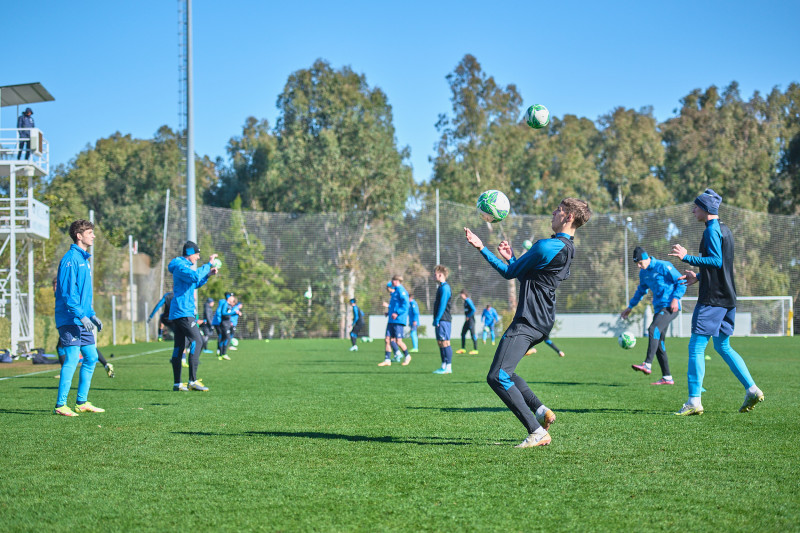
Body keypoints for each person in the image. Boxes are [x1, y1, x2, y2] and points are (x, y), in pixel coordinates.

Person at [465, 198, 592, 448]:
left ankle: (537, 431)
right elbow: (528, 275)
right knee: (507, 372)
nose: (553, 212)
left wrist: (481, 247)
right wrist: (513, 258)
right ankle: (540, 410)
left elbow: (510, 274)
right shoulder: (568, 249)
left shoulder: (546, 245)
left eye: (558, 210)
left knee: (497, 376)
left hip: (527, 320)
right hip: (542, 321)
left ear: (568, 218)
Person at [669, 189, 764, 415]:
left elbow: (715, 260)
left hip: (712, 300)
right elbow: (722, 268)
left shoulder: (711, 231)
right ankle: (752, 389)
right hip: (727, 297)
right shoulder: (724, 230)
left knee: (696, 347)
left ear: (705, 209)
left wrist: (687, 257)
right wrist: (698, 276)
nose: (693, 210)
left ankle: (694, 401)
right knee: (722, 345)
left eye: (696, 207)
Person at [53, 220, 105, 416]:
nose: (93, 236)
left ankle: (81, 402)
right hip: (70, 319)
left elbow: (83, 295)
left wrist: (91, 314)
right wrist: (82, 316)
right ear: (79, 236)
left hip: (83, 318)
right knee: (73, 358)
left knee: (91, 357)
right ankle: (60, 405)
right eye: (90, 232)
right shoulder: (70, 259)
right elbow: (67, 294)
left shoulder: (84, 260)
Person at [621, 246, 686, 385]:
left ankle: (647, 364)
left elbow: (681, 281)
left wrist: (676, 298)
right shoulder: (643, 273)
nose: (639, 266)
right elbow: (640, 291)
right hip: (659, 308)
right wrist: (630, 307)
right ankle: (667, 377)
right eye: (637, 264)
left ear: (646, 258)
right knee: (659, 343)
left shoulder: (664, 266)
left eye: (640, 263)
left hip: (670, 307)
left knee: (652, 330)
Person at [168, 241, 218, 391]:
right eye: (197, 254)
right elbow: (195, 277)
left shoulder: (183, 267)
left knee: (179, 346)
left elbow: (194, 283)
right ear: (190, 253)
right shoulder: (180, 266)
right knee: (198, 340)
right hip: (184, 312)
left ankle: (177, 383)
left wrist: (208, 275)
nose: (197, 257)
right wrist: (208, 264)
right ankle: (192, 381)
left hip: (181, 312)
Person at [378, 275, 411, 367]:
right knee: (387, 339)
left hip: (398, 320)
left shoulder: (402, 291)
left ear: (397, 281)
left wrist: (397, 313)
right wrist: (388, 313)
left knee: (398, 341)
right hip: (391, 320)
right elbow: (394, 306)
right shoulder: (395, 292)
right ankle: (387, 360)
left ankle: (407, 356)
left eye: (393, 280)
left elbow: (406, 305)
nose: (392, 282)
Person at [431, 265, 453, 374]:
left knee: (445, 342)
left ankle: (448, 367)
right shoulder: (440, 287)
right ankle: (443, 365)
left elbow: (443, 305)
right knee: (440, 342)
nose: (434, 276)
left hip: (444, 319)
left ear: (440, 275)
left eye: (435, 274)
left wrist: (438, 318)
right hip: (440, 319)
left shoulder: (445, 288)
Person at [456, 290, 479, 355]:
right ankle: (463, 349)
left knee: (472, 334)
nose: (460, 296)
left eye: (461, 294)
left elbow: (473, 309)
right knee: (463, 333)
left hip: (471, 321)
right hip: (467, 321)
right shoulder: (465, 302)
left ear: (464, 294)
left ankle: (475, 350)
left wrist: (468, 316)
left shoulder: (468, 301)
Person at [214, 292, 236, 360]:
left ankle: (221, 353)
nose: (233, 298)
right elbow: (222, 313)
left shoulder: (229, 305)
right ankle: (222, 353)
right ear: (228, 297)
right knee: (225, 338)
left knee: (224, 338)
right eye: (231, 296)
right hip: (223, 324)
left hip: (226, 323)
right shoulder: (224, 303)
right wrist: (234, 312)